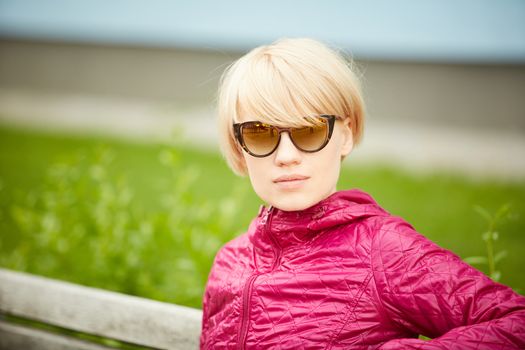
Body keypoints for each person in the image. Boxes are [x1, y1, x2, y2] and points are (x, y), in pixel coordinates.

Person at [199, 37, 525, 349]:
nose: (285, 156)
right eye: (260, 133)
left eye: (309, 130)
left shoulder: (383, 250)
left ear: (346, 135)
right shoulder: (230, 262)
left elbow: (516, 321)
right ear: (240, 147)